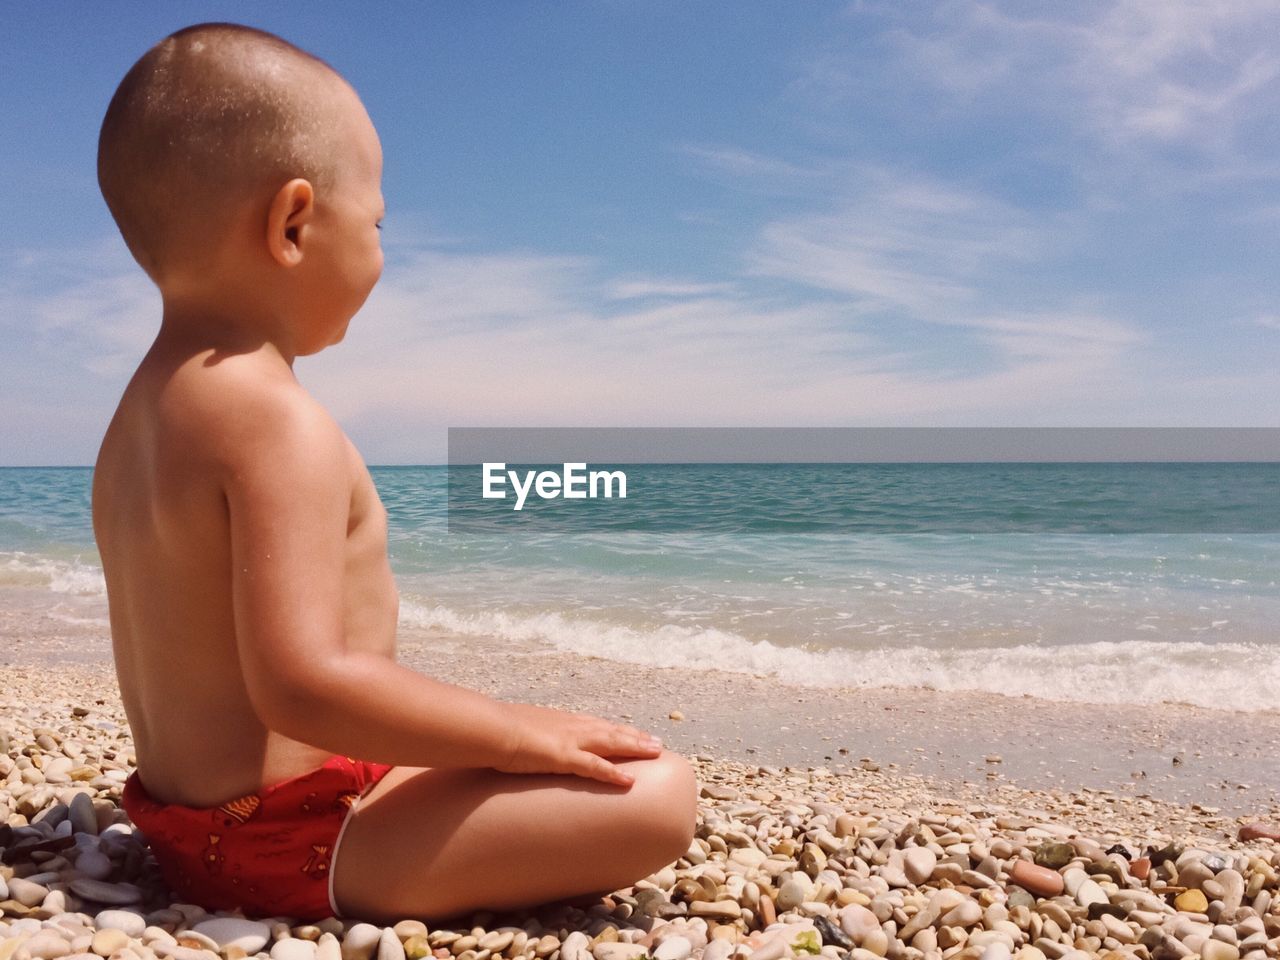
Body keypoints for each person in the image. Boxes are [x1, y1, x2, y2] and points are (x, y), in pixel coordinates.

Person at [92, 21, 698, 923]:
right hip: (283, 843)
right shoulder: (271, 420)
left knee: (545, 750)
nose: (380, 250)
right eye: (375, 222)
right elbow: (303, 681)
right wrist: (513, 729)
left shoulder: (139, 417)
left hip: (189, 822)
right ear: (293, 223)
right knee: (661, 791)